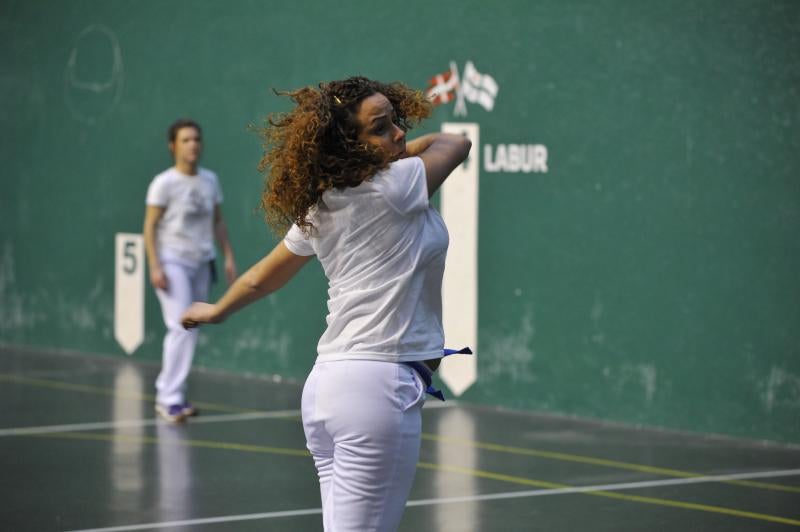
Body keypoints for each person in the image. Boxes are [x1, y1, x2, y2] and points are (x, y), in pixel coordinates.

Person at [181, 77, 471, 531]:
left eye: (397, 122)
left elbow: (261, 277)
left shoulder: (324, 204)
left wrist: (217, 311)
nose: (397, 133)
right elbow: (455, 141)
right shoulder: (397, 185)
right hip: (376, 394)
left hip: (329, 390)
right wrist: (400, 155)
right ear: (349, 147)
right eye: (380, 128)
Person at [143, 118, 238, 423]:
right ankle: (168, 397)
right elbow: (150, 226)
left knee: (192, 328)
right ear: (173, 146)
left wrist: (228, 256)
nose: (193, 144)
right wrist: (155, 265)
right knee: (179, 325)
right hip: (173, 262)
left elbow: (218, 221)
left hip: (201, 261)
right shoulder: (164, 183)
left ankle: (175, 396)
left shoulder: (210, 180)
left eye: (196, 139)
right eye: (185, 140)